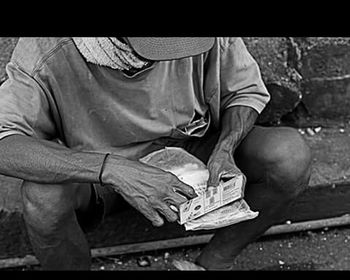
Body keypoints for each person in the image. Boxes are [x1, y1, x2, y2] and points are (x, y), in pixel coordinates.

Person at [0, 37, 311, 270]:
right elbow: (5, 143)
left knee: (289, 156)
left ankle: (213, 263)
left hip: (190, 148)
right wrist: (112, 169)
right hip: (98, 171)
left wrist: (225, 147)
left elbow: (244, 90)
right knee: (43, 196)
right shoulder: (47, 47)